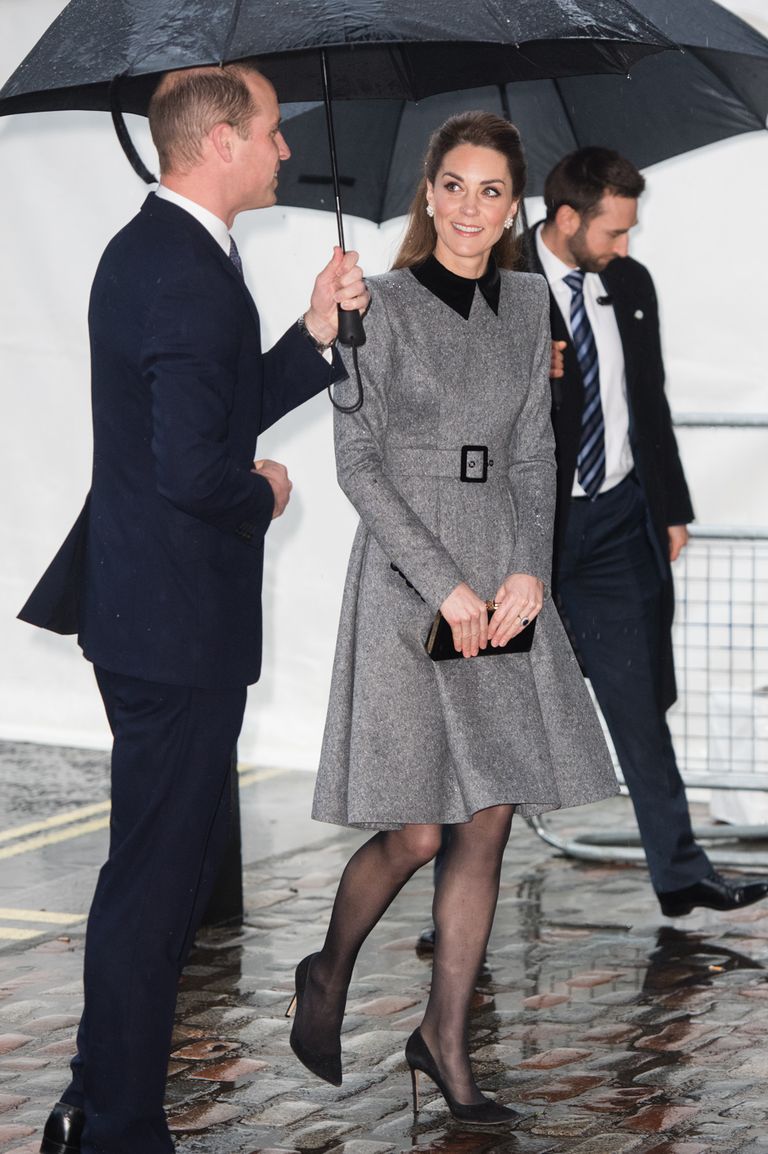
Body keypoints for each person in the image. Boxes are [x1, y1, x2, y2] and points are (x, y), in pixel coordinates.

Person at [19, 63, 369, 1154]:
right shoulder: (181, 271)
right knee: (154, 889)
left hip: (155, 615)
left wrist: (314, 332)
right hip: (172, 624)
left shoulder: (171, 252)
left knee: (153, 877)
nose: (283, 149)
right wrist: (262, 491)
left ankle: (98, 1100)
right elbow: (193, 469)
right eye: (269, 133)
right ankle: (117, 1124)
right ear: (219, 140)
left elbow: (212, 410)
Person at [286, 112, 619, 1127]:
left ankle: (445, 1040)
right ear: (427, 194)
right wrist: (447, 584)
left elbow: (533, 455)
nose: (472, 207)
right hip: (405, 580)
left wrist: (530, 569)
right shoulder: (368, 304)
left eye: (491, 190)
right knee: (421, 828)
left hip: (500, 573)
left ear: (511, 206)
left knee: (490, 817)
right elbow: (358, 465)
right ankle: (328, 964)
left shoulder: (528, 305)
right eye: (455, 185)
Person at [530, 147, 768, 918]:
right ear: (568, 220)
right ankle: (453, 907)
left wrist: (671, 508)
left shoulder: (629, 284)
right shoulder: (499, 286)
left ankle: (680, 870)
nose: (626, 247)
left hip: (614, 525)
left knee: (639, 702)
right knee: (496, 718)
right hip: (526, 536)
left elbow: (649, 399)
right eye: (614, 231)